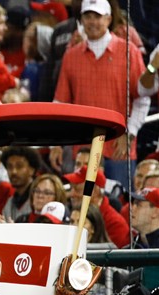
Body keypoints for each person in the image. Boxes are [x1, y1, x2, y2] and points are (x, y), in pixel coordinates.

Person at [53, 0, 148, 191]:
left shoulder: (129, 51)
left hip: (119, 148)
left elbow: (142, 97)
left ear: (108, 19)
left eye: (97, 16)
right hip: (82, 149)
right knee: (82, 204)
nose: (92, 22)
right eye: (87, 16)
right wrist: (57, 143)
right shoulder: (71, 55)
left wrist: (129, 133)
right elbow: (60, 103)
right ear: (81, 20)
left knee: (120, 202)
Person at [64, 165, 130, 248]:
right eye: (71, 188)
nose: (71, 194)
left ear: (94, 190)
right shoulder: (72, 212)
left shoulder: (115, 224)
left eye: (77, 189)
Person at [0, 146, 41, 222]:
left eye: (19, 166)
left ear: (32, 170)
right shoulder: (8, 203)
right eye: (10, 167)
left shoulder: (40, 198)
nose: (14, 171)